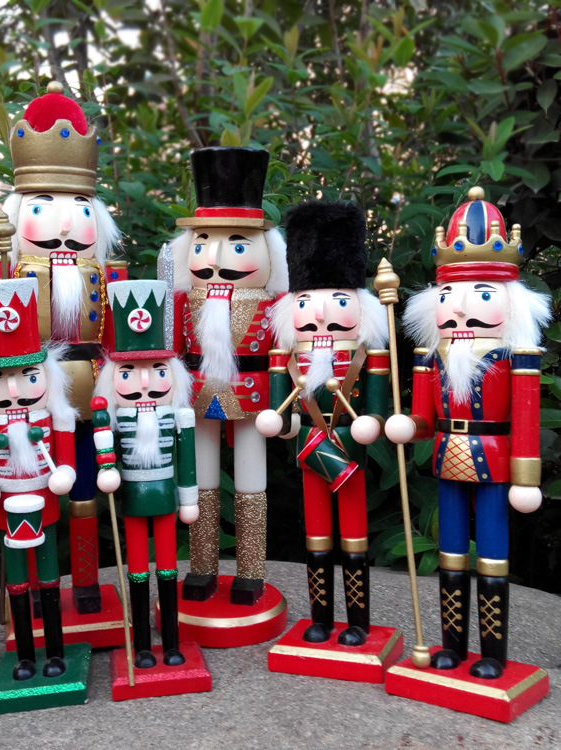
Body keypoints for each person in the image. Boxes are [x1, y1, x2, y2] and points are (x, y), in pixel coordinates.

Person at [386, 186, 552, 679]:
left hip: (496, 461)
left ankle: (493, 654)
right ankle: (453, 647)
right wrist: (408, 425)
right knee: (451, 553)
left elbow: (526, 422)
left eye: (481, 295)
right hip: (447, 456)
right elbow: (422, 421)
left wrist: (527, 478)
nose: (461, 309)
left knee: (493, 557)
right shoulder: (430, 357)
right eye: (449, 296)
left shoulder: (515, 357)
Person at [0, 81, 125, 615]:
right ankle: (34, 587)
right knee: (30, 488)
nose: (65, 222)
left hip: (89, 389)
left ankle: (85, 581)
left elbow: (117, 334)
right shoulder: (8, 268)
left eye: (79, 207)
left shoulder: (105, 273)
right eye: (43, 206)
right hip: (29, 393)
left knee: (86, 488)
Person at [257, 199, 390, 647]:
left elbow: (377, 407)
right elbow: (282, 413)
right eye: (306, 302)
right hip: (312, 449)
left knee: (353, 536)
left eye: (338, 302)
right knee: (316, 536)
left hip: (348, 448)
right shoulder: (288, 355)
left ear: (360, 307)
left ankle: (358, 622)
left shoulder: (367, 354)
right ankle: (320, 619)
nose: (319, 315)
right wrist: (280, 423)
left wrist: (373, 423)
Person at [169, 146, 288, 608]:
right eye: (201, 242)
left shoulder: (275, 304)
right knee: (200, 482)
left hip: (255, 399)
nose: (214, 258)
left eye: (238, 244)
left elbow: (284, 358)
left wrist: (286, 406)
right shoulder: (184, 300)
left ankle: (251, 571)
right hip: (198, 396)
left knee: (251, 482)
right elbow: (170, 350)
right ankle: (202, 567)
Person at [0, 276, 77, 683]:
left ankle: (56, 652)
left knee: (48, 577)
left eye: (28, 376)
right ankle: (24, 654)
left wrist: (65, 473)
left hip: (44, 503)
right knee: (17, 582)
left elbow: (66, 461)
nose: (13, 389)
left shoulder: (56, 417)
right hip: (7, 508)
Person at [92, 279, 199, 669]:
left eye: (157, 371)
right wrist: (107, 467)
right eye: (128, 373)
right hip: (133, 500)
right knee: (137, 571)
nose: (143, 383)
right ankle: (140, 646)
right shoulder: (114, 419)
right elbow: (106, 454)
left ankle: (171, 643)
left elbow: (187, 461)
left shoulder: (179, 417)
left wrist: (188, 498)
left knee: (168, 569)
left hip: (166, 497)